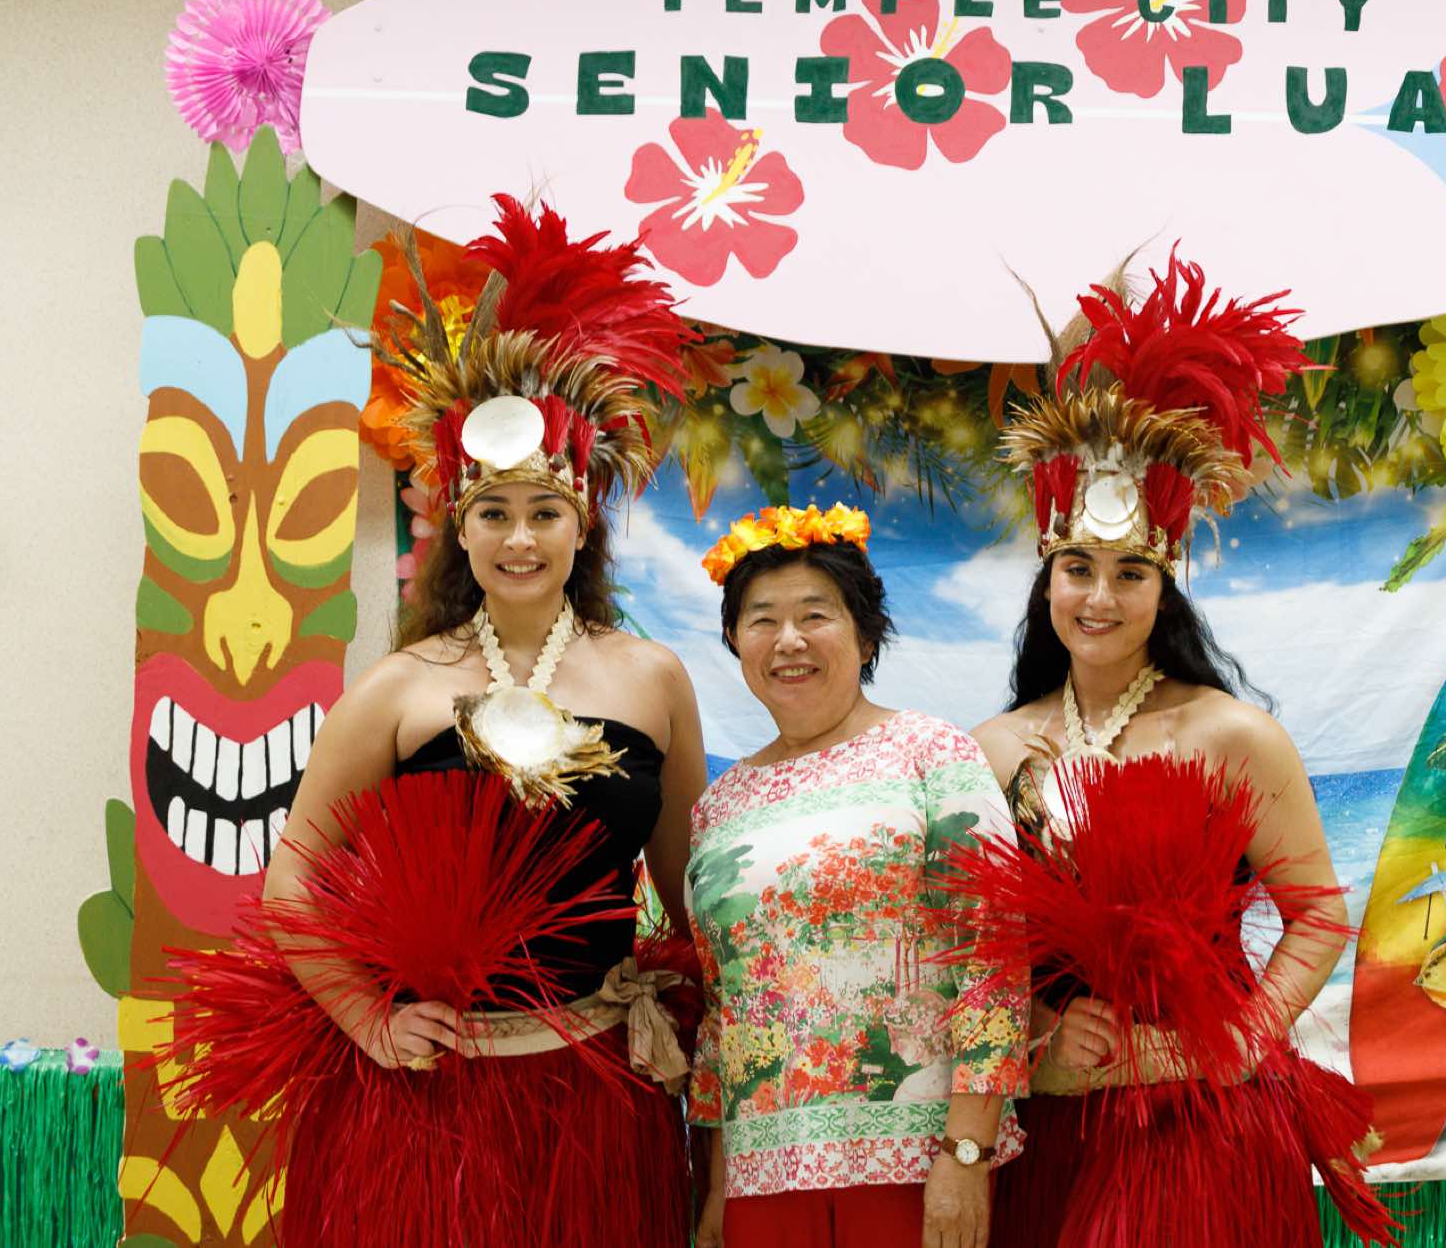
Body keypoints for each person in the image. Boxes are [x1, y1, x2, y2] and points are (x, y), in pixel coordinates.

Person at [161, 197, 708, 1248]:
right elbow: (292, 885)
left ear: (582, 519)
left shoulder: (652, 678)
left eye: (543, 512)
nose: (519, 539)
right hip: (426, 1109)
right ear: (457, 522)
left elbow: (689, 900)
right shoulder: (400, 686)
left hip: (598, 1099)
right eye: (493, 513)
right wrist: (366, 1018)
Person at [964, 253, 1399, 1248]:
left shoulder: (1229, 735)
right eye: (1077, 567)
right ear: (1046, 575)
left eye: (1129, 572)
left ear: (1165, 586)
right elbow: (975, 957)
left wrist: (1235, 1041)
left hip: (1208, 1127)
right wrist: (1037, 1038)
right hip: (1055, 1131)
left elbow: (1317, 915)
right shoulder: (993, 748)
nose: (1099, 597)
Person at [685, 505, 1030, 1248]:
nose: (789, 639)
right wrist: (716, 1187)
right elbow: (722, 1011)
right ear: (735, 640)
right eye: (762, 619)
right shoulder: (719, 806)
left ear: (866, 635)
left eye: (816, 614)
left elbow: (994, 960)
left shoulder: (933, 755)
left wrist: (966, 1153)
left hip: (914, 1165)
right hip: (762, 1178)